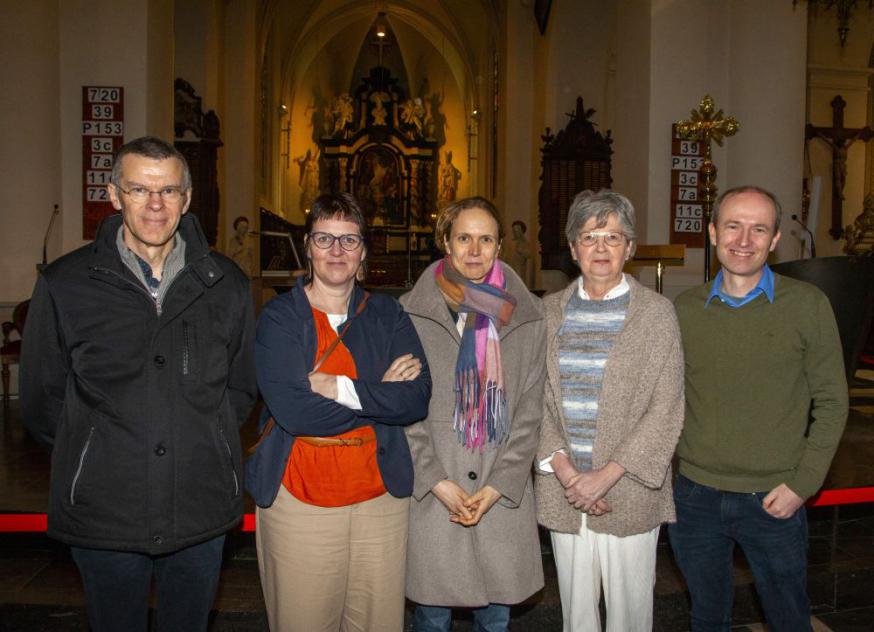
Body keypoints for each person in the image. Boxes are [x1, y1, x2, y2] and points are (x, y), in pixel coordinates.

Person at [20, 136, 257, 632]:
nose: (155, 205)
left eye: (169, 191)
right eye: (139, 190)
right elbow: (43, 402)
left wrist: (200, 436)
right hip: (107, 509)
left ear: (187, 199)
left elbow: (239, 389)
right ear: (114, 194)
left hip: (199, 505)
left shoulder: (226, 283)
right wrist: (96, 450)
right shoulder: (66, 283)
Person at [245, 192, 431, 632]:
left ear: (363, 250)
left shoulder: (387, 313)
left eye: (349, 241)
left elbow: (418, 397)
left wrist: (339, 387)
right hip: (300, 498)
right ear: (307, 246)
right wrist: (379, 394)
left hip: (379, 500)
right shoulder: (279, 318)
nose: (336, 251)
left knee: (378, 623)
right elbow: (296, 413)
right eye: (324, 238)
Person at [670, 185, 849, 632]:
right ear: (713, 232)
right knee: (707, 617)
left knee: (789, 618)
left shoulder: (808, 306)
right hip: (695, 497)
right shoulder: (684, 310)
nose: (743, 240)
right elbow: (663, 397)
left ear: (773, 241)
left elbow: (832, 401)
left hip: (774, 498)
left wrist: (803, 484)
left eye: (758, 229)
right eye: (733, 226)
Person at [534, 189, 684, 632]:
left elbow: (667, 406)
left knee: (630, 616)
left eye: (613, 237)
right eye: (590, 236)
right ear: (573, 247)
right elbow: (534, 400)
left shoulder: (657, 314)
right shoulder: (546, 313)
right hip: (565, 489)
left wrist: (605, 476)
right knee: (576, 615)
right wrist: (566, 473)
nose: (601, 248)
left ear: (630, 248)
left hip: (630, 489)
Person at [401, 196, 546, 631]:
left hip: (498, 499)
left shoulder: (528, 318)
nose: (475, 250)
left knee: (495, 619)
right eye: (464, 237)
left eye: (486, 239)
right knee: (430, 618)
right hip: (434, 495)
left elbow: (529, 413)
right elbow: (403, 412)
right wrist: (435, 481)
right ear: (446, 241)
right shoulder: (409, 313)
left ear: (500, 247)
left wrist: (499, 487)